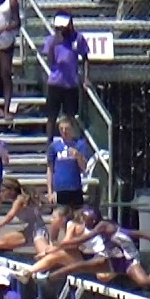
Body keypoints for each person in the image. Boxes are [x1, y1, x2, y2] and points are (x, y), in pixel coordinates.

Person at [51, 208, 150, 287]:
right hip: (111, 259)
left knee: (145, 281)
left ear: (93, 220)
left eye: (86, 220)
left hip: (128, 259)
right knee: (81, 266)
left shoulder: (104, 226)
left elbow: (132, 233)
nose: (84, 223)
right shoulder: (95, 226)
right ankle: (51, 277)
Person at [17, 205, 109, 281]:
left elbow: (65, 244)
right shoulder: (75, 226)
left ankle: (30, 272)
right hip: (90, 255)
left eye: (54, 218)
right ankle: (31, 272)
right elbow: (71, 247)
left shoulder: (72, 225)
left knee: (57, 255)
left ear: (63, 218)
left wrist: (46, 252)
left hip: (102, 255)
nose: (51, 220)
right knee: (57, 255)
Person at [43, 12, 89, 141]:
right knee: (52, 116)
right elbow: (51, 60)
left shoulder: (77, 38)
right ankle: (50, 142)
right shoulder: (52, 40)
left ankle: (71, 140)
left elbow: (85, 57)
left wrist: (85, 78)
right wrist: (54, 44)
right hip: (55, 82)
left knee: (71, 115)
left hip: (71, 84)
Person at [46, 117, 91, 210]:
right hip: (60, 189)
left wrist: (78, 156)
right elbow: (50, 169)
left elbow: (84, 167)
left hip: (75, 187)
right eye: (61, 129)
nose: (64, 132)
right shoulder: (54, 146)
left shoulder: (80, 144)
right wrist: (50, 192)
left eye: (67, 129)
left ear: (72, 129)